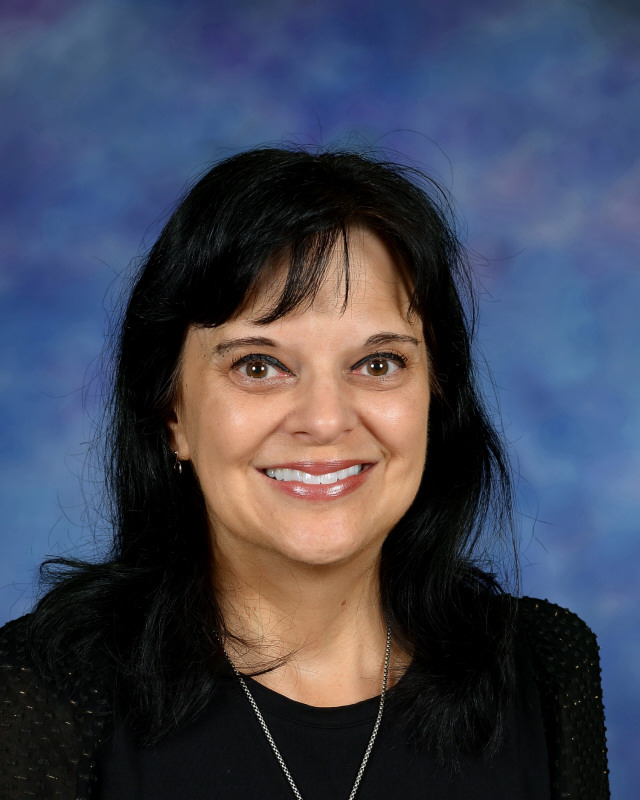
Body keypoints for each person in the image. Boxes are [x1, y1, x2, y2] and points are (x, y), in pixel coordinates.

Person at [0, 146, 608, 799]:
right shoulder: (44, 690)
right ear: (172, 412)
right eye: (259, 365)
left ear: (435, 397)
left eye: (378, 364)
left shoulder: (544, 667)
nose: (324, 421)